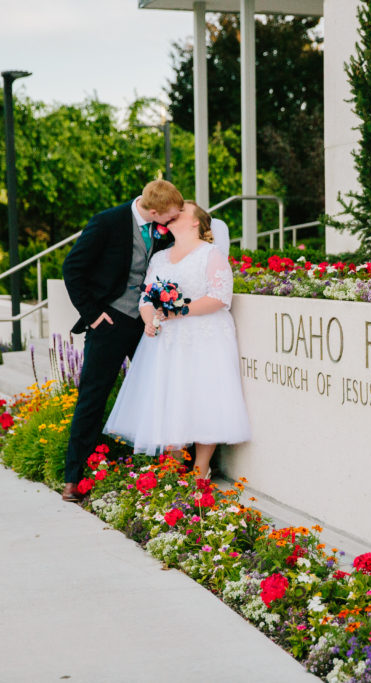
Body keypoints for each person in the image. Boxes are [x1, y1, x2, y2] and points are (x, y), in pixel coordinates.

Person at [103, 201, 250, 476]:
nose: (174, 212)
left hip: (204, 336)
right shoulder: (159, 258)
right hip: (167, 339)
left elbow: (219, 297)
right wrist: (149, 319)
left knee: (206, 397)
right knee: (171, 397)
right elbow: (146, 296)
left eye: (182, 210)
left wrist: (178, 311)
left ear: (196, 221)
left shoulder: (210, 254)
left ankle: (201, 468)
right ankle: (172, 466)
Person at [60, 180, 184, 502]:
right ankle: (73, 478)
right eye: (168, 218)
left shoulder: (165, 227)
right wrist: (93, 314)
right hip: (111, 321)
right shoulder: (107, 222)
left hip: (150, 324)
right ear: (153, 211)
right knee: (93, 395)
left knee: (160, 390)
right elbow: (72, 269)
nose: (172, 223)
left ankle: (166, 469)